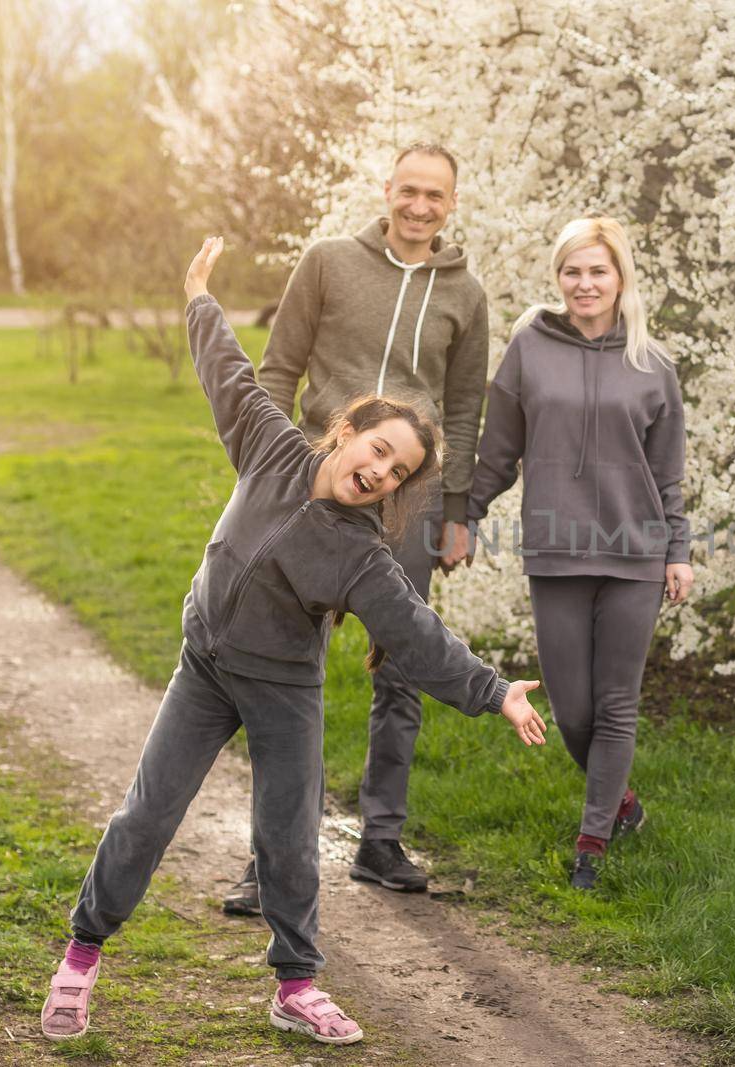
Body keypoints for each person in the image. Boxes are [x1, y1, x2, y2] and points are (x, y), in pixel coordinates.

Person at [39, 236, 546, 1046]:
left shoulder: (361, 553)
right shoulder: (270, 444)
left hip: (283, 689)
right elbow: (228, 370)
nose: (381, 473)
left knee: (289, 838)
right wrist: (198, 292)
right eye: (378, 449)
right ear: (348, 431)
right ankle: (81, 955)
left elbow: (417, 633)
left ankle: (296, 985)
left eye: (397, 473)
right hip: (206, 668)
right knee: (146, 815)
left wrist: (492, 689)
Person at [220, 142, 489, 911]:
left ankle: (381, 839)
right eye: (408, 191)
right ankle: (269, 862)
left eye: (434, 195)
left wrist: (458, 508)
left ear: (451, 204)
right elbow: (276, 366)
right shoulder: (329, 262)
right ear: (387, 191)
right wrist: (263, 460)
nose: (419, 206)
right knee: (284, 665)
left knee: (401, 660)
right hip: (316, 480)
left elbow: (466, 407)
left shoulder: (465, 293)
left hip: (409, 498)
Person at [466, 215, 693, 890]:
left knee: (617, 702)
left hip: (636, 553)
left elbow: (668, 474)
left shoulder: (654, 365)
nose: (584, 283)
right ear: (558, 277)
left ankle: (591, 841)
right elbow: (498, 447)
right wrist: (467, 513)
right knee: (572, 706)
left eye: (598, 270)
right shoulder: (530, 346)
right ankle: (622, 802)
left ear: (620, 277)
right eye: (573, 271)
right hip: (557, 549)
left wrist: (677, 549)